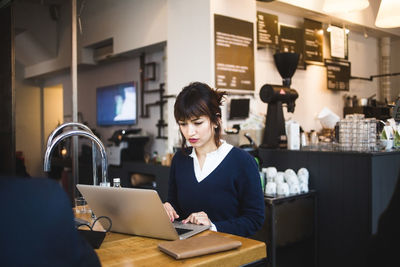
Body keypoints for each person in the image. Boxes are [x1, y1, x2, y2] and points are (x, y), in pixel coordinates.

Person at [163, 82, 265, 237]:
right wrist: (168, 209)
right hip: (187, 250)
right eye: (183, 124)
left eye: (197, 123)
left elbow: (254, 219)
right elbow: (175, 206)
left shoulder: (242, 162)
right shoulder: (180, 160)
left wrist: (213, 226)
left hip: (227, 253)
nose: (190, 132)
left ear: (216, 120)